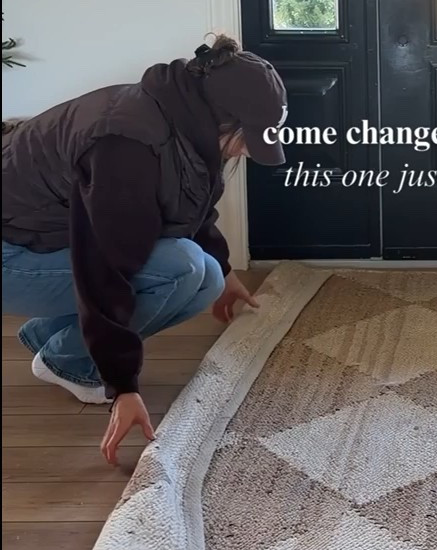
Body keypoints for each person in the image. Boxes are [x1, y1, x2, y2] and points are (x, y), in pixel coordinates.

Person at [2, 35, 286, 464]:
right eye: (248, 139)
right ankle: (68, 361)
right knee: (182, 269)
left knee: (205, 276)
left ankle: (48, 336)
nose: (248, 151)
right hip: (12, 254)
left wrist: (226, 271)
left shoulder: (181, 118)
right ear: (222, 120)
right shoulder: (127, 142)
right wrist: (123, 386)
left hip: (43, 240)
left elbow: (191, 204)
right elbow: (103, 265)